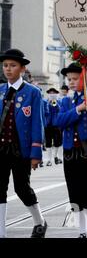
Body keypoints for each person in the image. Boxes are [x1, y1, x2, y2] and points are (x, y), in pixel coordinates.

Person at [0, 49, 47, 238]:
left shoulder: (33, 92)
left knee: (22, 188)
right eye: (5, 66)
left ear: (22, 68)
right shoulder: (1, 90)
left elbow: (38, 122)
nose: (8, 69)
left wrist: (36, 153)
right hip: (1, 147)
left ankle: (39, 222)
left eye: (12, 66)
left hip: (22, 149)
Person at [55, 62, 87, 238]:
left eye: (75, 78)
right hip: (70, 153)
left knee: (84, 190)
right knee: (73, 193)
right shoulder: (66, 101)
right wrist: (78, 109)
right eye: (69, 79)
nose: (71, 82)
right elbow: (59, 121)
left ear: (83, 79)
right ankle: (82, 231)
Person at [44, 87, 63, 166]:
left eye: (53, 93)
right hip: (48, 125)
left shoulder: (59, 101)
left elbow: (60, 110)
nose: (52, 94)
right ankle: (49, 160)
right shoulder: (45, 102)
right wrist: (49, 103)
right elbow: (45, 111)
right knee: (48, 142)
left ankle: (55, 157)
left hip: (56, 125)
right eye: (50, 93)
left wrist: (55, 103)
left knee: (57, 142)